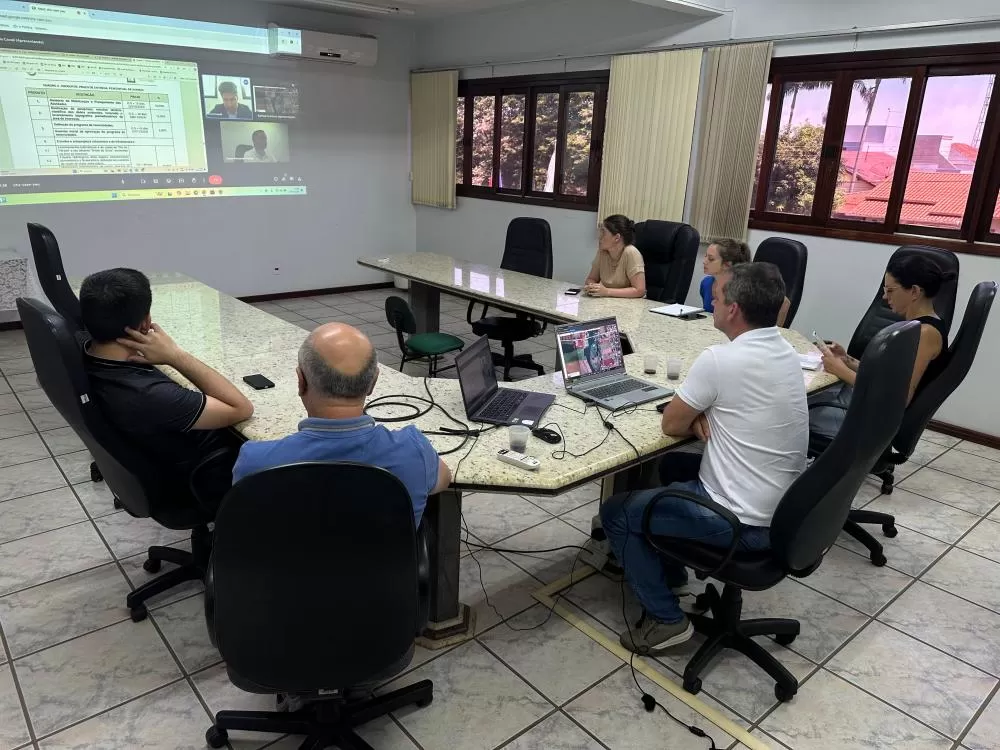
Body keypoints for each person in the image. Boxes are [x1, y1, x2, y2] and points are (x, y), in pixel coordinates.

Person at [600, 263, 808, 655]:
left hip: (740, 524)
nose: (712, 299)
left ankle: (666, 620)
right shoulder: (786, 350)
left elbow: (670, 424)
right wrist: (705, 413)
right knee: (673, 467)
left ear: (733, 310)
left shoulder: (720, 359)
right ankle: (673, 572)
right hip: (784, 514)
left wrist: (695, 414)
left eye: (717, 296)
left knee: (618, 513)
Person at [232, 323, 451, 524]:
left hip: (281, 567)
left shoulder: (255, 462)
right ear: (373, 383)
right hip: (381, 568)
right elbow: (443, 479)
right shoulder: (413, 451)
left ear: (301, 381)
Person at [80, 269, 254, 511]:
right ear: (145, 323)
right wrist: (175, 356)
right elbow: (241, 408)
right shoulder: (149, 394)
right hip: (200, 476)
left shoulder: (84, 351)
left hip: (158, 458)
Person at [818, 255, 954, 405]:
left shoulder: (925, 334)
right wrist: (847, 360)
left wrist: (840, 371)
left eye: (890, 290)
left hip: (873, 419)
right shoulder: (917, 327)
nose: (884, 296)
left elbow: (898, 398)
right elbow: (887, 378)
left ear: (914, 291)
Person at [700, 239, 790, 326]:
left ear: (727, 265)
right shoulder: (706, 283)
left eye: (711, 259)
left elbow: (784, 302)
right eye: (705, 256)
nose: (704, 262)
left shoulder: (745, 287)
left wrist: (774, 332)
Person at [584, 215, 646, 298]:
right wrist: (593, 287)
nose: (599, 237)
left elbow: (639, 290)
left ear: (617, 238)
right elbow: (591, 279)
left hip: (630, 306)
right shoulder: (602, 252)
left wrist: (607, 291)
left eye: (603, 232)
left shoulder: (631, 252)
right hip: (608, 303)